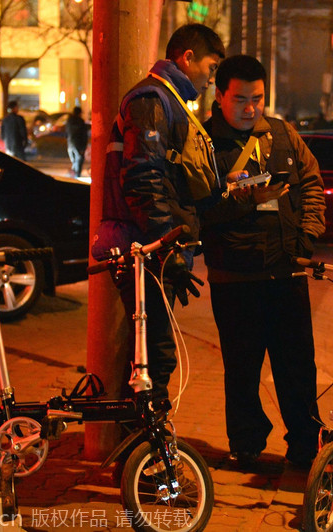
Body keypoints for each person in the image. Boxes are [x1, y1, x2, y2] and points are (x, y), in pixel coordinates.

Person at [200, 55, 326, 469]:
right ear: (219, 96)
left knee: (297, 366)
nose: (250, 108)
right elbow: (196, 206)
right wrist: (240, 202)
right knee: (242, 366)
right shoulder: (201, 140)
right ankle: (247, 444)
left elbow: (311, 183)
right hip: (233, 274)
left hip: (286, 270)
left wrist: (306, 237)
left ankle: (306, 444)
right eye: (240, 99)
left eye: (257, 98)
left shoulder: (283, 134)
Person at [91, 23, 225, 407]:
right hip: (144, 249)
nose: (210, 80)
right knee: (156, 355)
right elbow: (144, 178)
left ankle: (142, 448)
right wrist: (167, 247)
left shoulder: (169, 102)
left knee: (151, 354)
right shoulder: (152, 100)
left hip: (153, 248)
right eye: (211, 68)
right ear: (187, 58)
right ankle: (149, 455)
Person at [65, 106, 89, 177]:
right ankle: (76, 175)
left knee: (74, 160)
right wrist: (84, 146)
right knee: (79, 160)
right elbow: (84, 134)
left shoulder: (69, 121)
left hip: (70, 143)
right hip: (79, 144)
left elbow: (66, 132)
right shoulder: (80, 121)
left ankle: (74, 174)